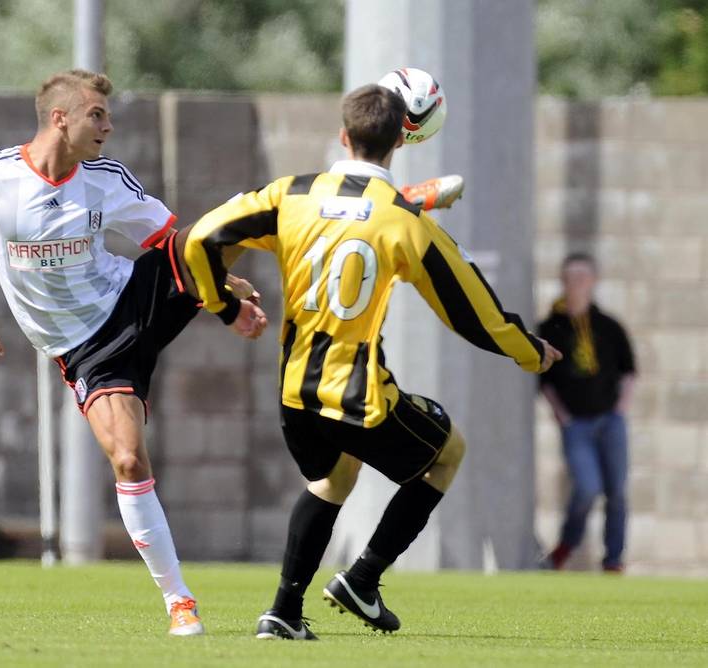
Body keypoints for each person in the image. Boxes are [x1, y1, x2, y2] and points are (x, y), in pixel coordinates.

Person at [180, 83, 562, 639]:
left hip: (294, 396)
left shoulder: (291, 194)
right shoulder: (404, 222)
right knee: (447, 452)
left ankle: (283, 613)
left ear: (343, 135)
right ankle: (363, 578)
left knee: (334, 479)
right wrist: (532, 353)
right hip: (359, 398)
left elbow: (200, 241)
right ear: (398, 143)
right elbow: (474, 313)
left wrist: (224, 305)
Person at [0, 69, 266, 637]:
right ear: (60, 118)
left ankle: (333, 190)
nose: (108, 126)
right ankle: (179, 600)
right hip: (86, 350)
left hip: (132, 300)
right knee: (130, 461)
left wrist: (221, 289)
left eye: (107, 116)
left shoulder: (106, 180)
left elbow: (169, 239)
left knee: (217, 232)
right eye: (97, 115)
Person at [538, 252, 636, 573]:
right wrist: (561, 415)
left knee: (617, 491)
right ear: (563, 282)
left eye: (583, 277)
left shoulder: (609, 326)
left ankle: (613, 560)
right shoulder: (550, 328)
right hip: (576, 424)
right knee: (587, 487)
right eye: (571, 277)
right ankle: (566, 545)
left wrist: (621, 407)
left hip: (610, 420)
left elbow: (628, 370)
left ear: (593, 282)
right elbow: (544, 380)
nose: (577, 283)